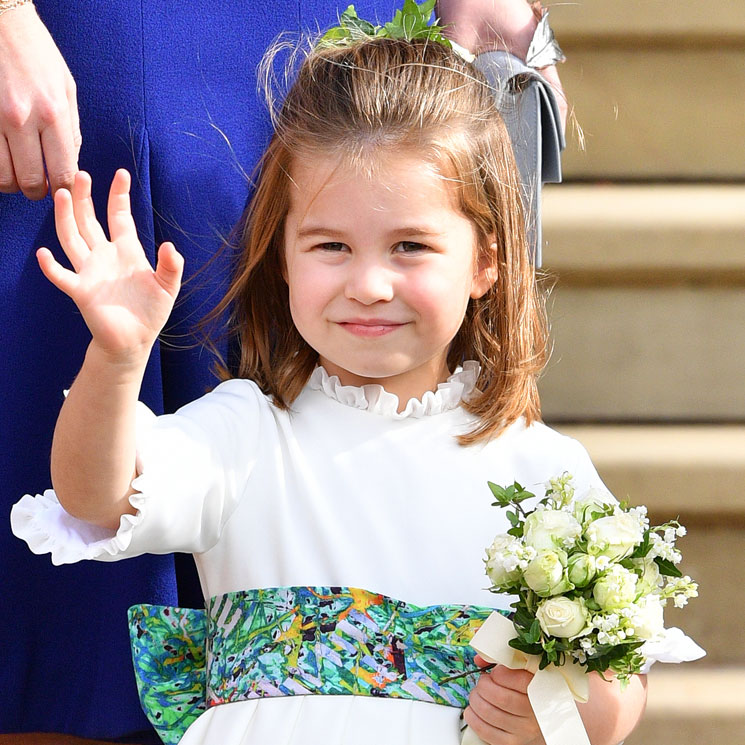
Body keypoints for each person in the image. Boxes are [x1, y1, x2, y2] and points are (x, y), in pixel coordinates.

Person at [11, 21, 646, 745]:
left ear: (483, 262)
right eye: (331, 246)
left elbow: (620, 676)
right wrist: (117, 359)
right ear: (281, 256)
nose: (369, 284)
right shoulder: (244, 431)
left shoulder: (545, 472)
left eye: (409, 246)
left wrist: (568, 715)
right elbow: (92, 494)